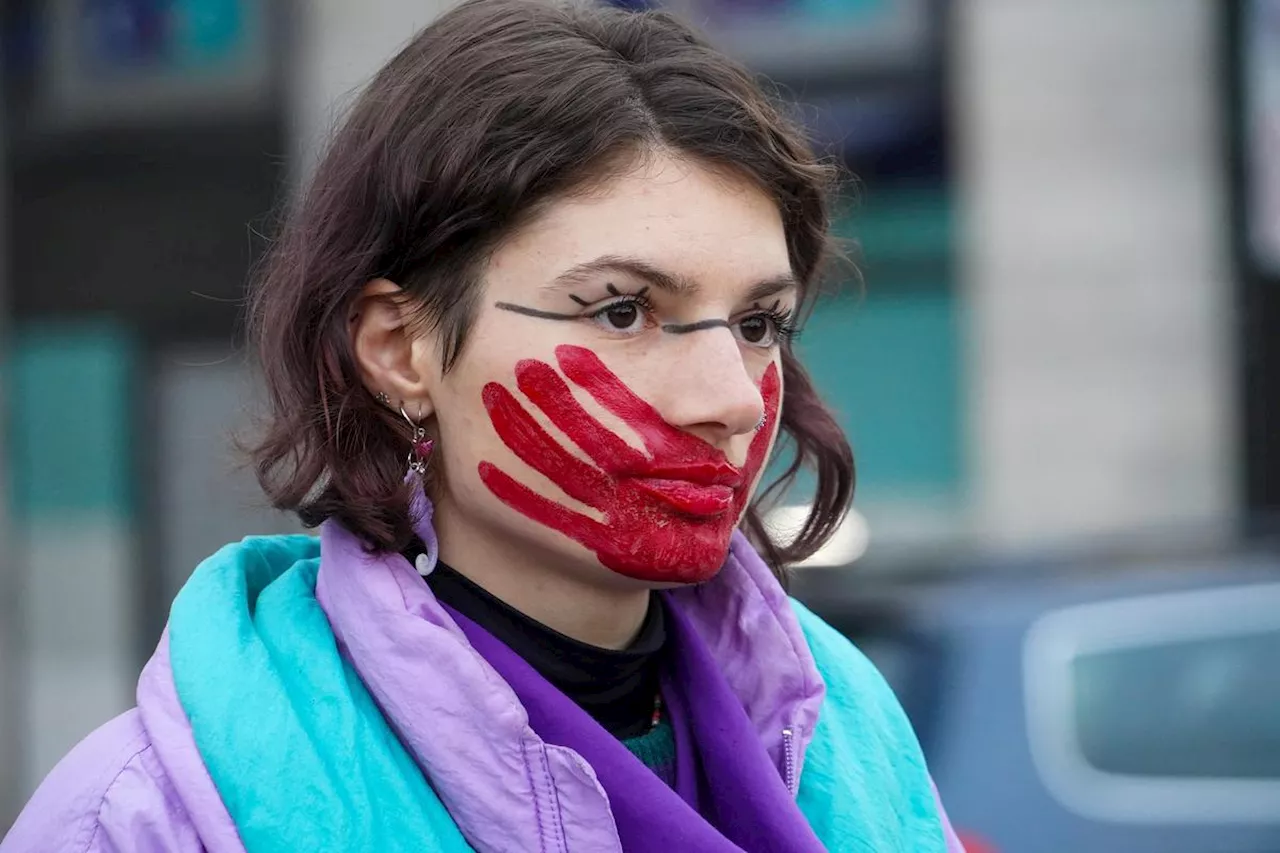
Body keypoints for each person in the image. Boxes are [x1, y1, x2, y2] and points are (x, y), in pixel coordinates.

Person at [2, 1, 966, 850]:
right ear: (399, 348)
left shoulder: (846, 727)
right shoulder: (141, 822)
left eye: (759, 322)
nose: (734, 396)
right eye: (622, 309)